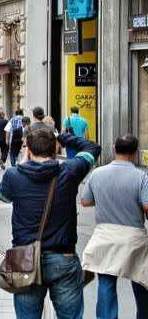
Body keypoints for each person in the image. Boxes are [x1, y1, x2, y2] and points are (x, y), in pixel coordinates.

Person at [0, 128, 101, 319]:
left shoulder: (14, 175)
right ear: (55, 148)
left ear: (28, 148)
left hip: (25, 259)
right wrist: (63, 136)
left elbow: (1, 195)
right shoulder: (70, 171)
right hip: (64, 258)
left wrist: (22, 162)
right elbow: (92, 147)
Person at [80, 134, 148, 319]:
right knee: (141, 280)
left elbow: (85, 201)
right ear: (134, 153)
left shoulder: (97, 173)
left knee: (106, 282)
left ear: (113, 148)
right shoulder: (141, 176)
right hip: (133, 238)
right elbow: (146, 207)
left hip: (105, 236)